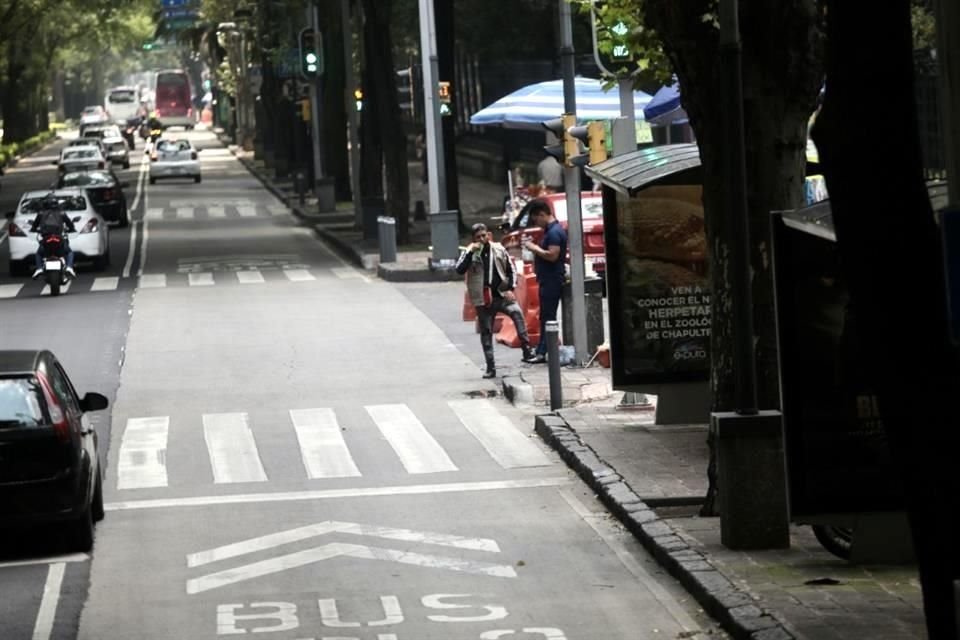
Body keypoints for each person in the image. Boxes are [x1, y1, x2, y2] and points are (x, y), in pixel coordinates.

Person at [456, 223, 537, 378]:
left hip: (501, 294)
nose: (482, 239)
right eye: (478, 237)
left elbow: (511, 270)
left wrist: (510, 288)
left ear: (488, 235)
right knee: (486, 331)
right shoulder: (469, 252)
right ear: (473, 239)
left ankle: (527, 350)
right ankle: (490, 366)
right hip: (483, 298)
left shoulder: (498, 249)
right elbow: (459, 269)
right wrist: (470, 252)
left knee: (517, 313)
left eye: (484, 235)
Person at [524, 199, 567, 362]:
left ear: (542, 215)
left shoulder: (554, 232)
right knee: (545, 315)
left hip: (552, 279)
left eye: (536, 220)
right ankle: (542, 349)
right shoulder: (551, 231)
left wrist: (534, 248)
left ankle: (543, 351)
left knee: (548, 316)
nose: (537, 224)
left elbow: (552, 255)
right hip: (547, 279)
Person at [30, 202, 77, 279]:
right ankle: (69, 267)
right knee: (69, 252)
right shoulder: (62, 213)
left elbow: (34, 226)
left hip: (46, 239)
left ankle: (39, 269)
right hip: (58, 239)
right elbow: (70, 225)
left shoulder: (41, 214)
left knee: (39, 254)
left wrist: (34, 229)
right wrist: (71, 229)